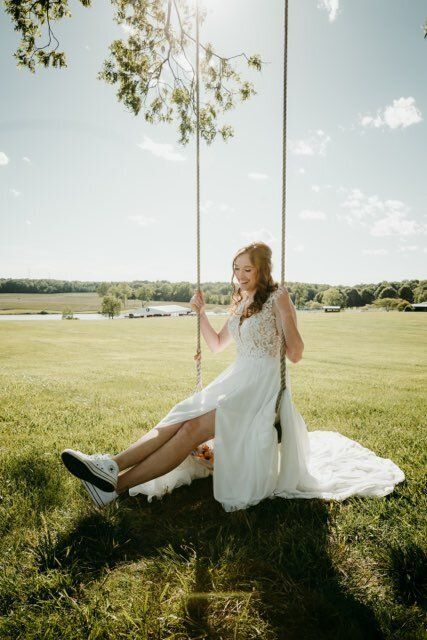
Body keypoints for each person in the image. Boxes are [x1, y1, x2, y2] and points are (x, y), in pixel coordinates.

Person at [61, 242, 405, 511]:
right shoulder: (241, 300)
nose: (240, 275)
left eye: (247, 269)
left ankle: (114, 486)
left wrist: (286, 313)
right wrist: (200, 314)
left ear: (262, 269)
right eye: (236, 269)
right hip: (236, 377)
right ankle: (110, 467)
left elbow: (296, 355)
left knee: (192, 428)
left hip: (261, 387)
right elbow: (217, 345)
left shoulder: (277, 298)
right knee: (179, 418)